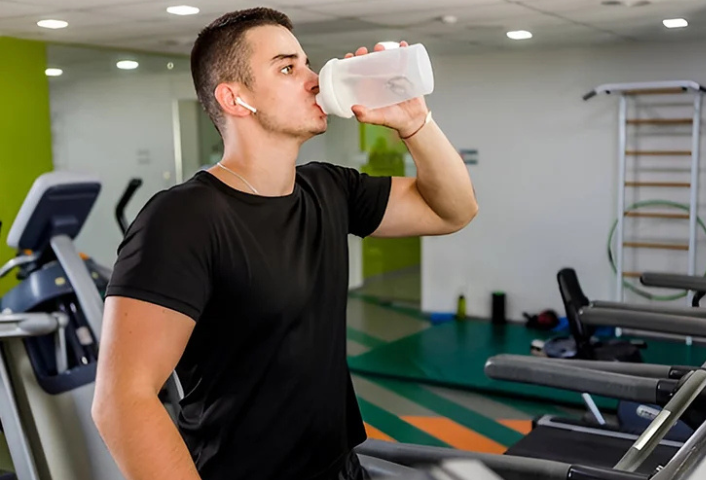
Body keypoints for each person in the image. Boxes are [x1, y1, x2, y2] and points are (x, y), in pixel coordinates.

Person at [91, 6, 478, 480]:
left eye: (306, 63)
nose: (314, 80)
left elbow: (453, 210)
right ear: (235, 99)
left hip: (340, 468)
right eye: (288, 68)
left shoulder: (328, 188)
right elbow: (122, 401)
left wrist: (414, 122)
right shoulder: (182, 219)